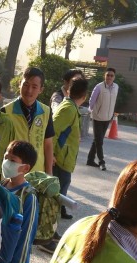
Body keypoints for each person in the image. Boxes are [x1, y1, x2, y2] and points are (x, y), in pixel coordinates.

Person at [3, 67, 55, 174]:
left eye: (34, 87)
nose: (29, 90)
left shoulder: (46, 112)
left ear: (41, 89)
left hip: (37, 175)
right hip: (12, 174)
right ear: (19, 84)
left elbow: (48, 145)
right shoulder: (5, 111)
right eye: (25, 85)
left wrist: (49, 175)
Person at [52, 77, 89, 223]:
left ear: (68, 90)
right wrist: (52, 154)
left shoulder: (70, 107)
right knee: (60, 188)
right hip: (60, 158)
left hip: (64, 157)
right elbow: (53, 131)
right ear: (85, 96)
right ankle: (53, 222)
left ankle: (60, 210)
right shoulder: (68, 108)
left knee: (63, 186)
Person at [86, 67, 119, 171]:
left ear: (114, 77)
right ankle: (102, 161)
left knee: (97, 140)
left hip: (107, 117)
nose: (109, 77)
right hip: (97, 117)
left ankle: (90, 160)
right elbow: (91, 101)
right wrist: (90, 111)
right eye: (107, 75)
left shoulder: (116, 87)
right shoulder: (99, 87)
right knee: (99, 141)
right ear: (104, 75)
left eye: (111, 75)